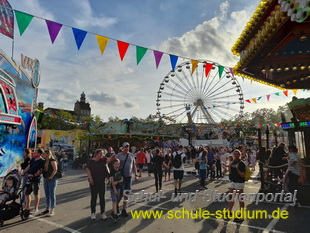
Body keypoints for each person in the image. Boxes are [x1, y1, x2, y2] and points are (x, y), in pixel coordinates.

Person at [86, 149, 112, 220]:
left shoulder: (103, 160)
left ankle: (102, 213)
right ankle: (93, 213)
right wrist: (90, 178)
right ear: (96, 154)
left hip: (102, 181)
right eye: (100, 153)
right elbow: (87, 169)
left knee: (102, 198)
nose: (102, 155)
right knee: (94, 197)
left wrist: (113, 156)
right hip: (93, 182)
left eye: (103, 153)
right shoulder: (91, 161)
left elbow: (109, 160)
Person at [116, 142, 138, 217]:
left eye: (128, 146)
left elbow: (134, 165)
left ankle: (124, 209)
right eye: (125, 147)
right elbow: (114, 165)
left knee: (127, 193)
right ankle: (116, 205)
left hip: (129, 177)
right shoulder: (119, 155)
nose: (127, 148)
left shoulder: (131, 155)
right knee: (121, 193)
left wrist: (136, 174)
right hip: (122, 177)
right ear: (122, 148)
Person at [22, 148, 45, 214]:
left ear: (40, 153)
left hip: (35, 180)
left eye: (36, 152)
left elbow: (41, 170)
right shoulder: (32, 159)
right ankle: (27, 207)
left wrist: (34, 175)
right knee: (26, 193)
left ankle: (36, 208)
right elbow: (28, 167)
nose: (34, 153)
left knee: (36, 194)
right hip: (29, 179)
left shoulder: (42, 161)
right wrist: (23, 172)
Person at [228, 149, 246, 222]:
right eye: (234, 154)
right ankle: (229, 211)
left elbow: (242, 175)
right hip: (233, 182)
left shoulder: (241, 163)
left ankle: (241, 215)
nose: (236, 155)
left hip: (239, 182)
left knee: (240, 198)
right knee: (231, 197)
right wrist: (229, 167)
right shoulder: (232, 162)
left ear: (239, 155)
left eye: (237, 154)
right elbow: (230, 172)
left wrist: (237, 169)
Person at [41, 149, 58, 216]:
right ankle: (47, 208)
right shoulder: (45, 161)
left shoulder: (52, 161)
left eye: (44, 154)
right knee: (47, 195)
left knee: (52, 194)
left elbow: (55, 169)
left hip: (52, 179)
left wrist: (51, 176)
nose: (43, 155)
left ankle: (52, 209)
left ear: (47, 154)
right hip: (46, 178)